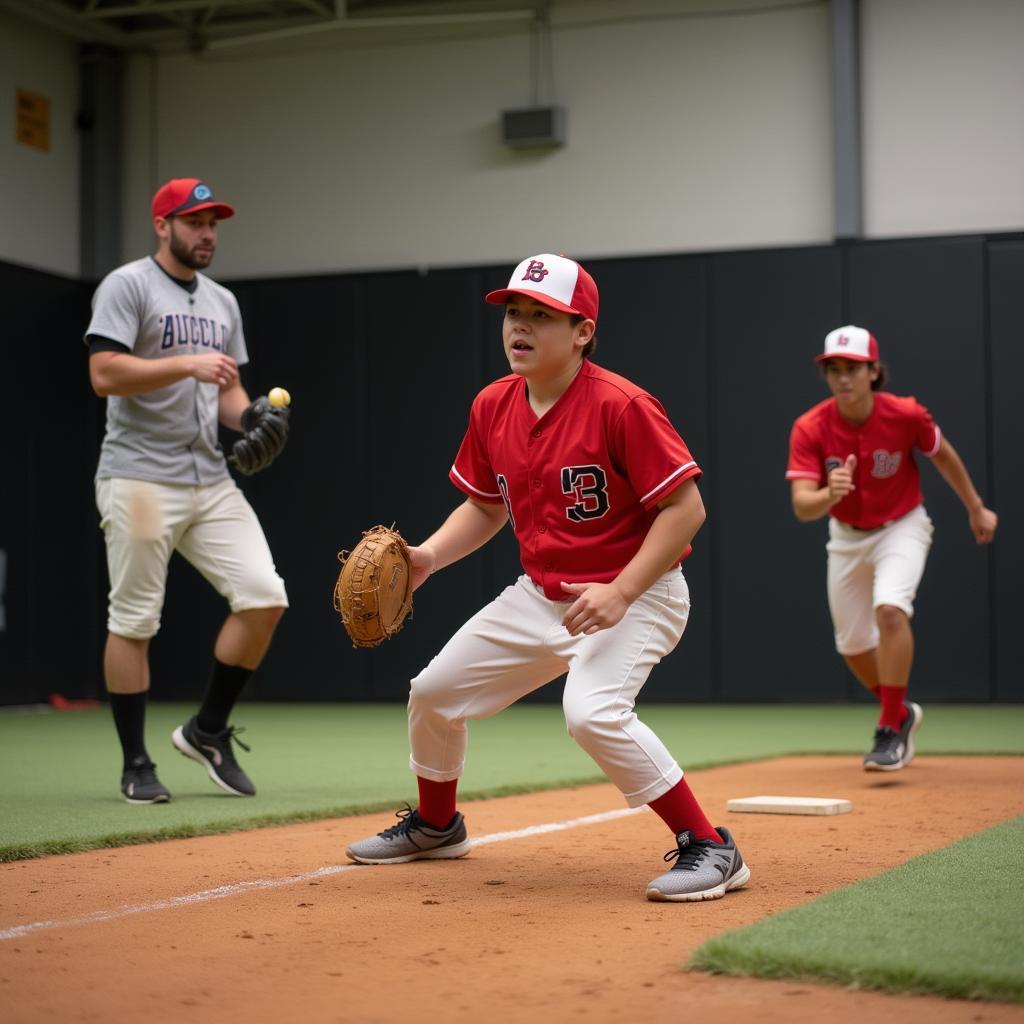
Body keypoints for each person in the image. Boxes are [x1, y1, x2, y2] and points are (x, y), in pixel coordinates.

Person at [345, 253, 749, 902]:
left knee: (591, 713)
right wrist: (427, 557)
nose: (520, 327)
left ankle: (710, 845)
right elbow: (486, 505)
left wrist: (621, 591)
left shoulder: (622, 406)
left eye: (541, 315)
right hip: (544, 595)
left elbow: (686, 509)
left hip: (639, 592)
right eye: (513, 313)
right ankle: (438, 825)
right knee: (434, 692)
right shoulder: (493, 405)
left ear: (583, 330)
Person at [86, 178, 290, 804]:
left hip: (208, 476)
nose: (206, 233)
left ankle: (207, 730)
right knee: (135, 620)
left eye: (213, 222)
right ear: (162, 225)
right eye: (194, 221)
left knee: (264, 598)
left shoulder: (222, 302)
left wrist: (253, 417)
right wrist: (186, 364)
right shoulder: (127, 285)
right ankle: (136, 763)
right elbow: (104, 374)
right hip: (139, 476)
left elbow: (226, 392)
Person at [786, 325, 997, 770]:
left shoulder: (906, 414)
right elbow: (803, 507)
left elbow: (944, 454)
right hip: (845, 536)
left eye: (853, 368)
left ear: (873, 371)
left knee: (890, 610)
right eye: (834, 369)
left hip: (902, 525)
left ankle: (887, 730)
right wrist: (829, 494)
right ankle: (901, 712)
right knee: (853, 646)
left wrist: (975, 507)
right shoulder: (810, 426)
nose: (843, 378)